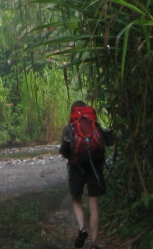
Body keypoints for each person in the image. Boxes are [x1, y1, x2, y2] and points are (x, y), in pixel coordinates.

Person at [59, 100, 113, 249]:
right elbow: (104, 145)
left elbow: (63, 152)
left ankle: (82, 228)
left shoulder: (69, 128)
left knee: (76, 199)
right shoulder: (94, 125)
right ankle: (94, 243)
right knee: (93, 204)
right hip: (95, 167)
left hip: (76, 167)